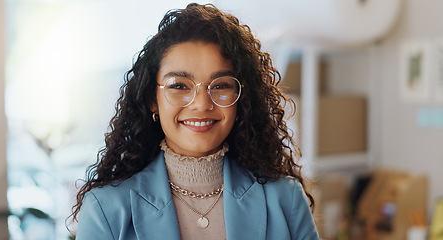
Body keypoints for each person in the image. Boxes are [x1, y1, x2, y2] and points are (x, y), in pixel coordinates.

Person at [70, 3, 319, 240]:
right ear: (152, 99)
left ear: (241, 99)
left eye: (221, 85)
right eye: (179, 86)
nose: (201, 103)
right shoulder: (106, 209)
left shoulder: (286, 199)